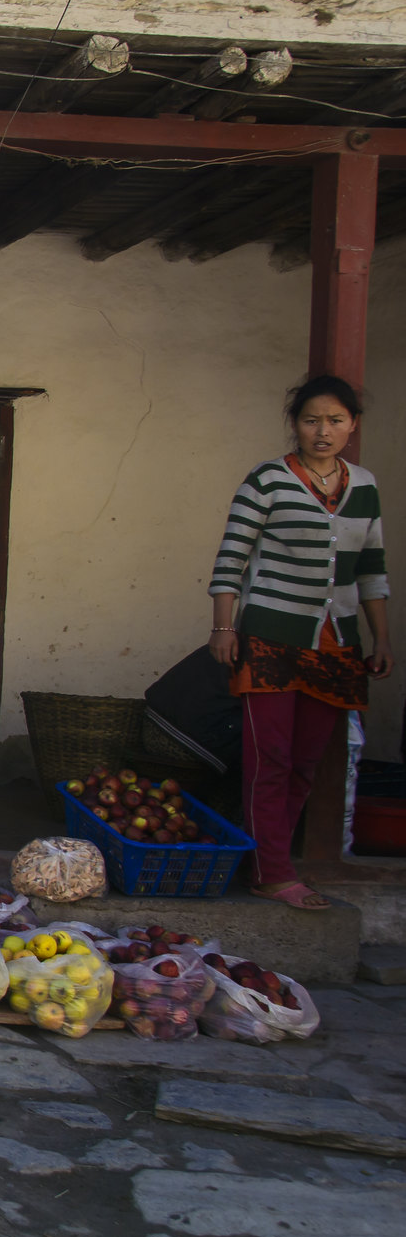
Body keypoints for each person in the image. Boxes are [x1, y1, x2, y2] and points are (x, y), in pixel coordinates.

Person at [209, 375, 391, 910]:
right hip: (270, 640)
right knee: (272, 758)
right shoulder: (268, 480)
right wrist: (224, 627)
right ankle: (273, 871)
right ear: (296, 425)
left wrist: (381, 639)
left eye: (335, 420)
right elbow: (231, 560)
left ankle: (266, 861)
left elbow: (372, 570)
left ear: (352, 425)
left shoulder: (364, 486)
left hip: (336, 646)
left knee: (308, 761)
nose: (323, 431)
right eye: (312, 420)